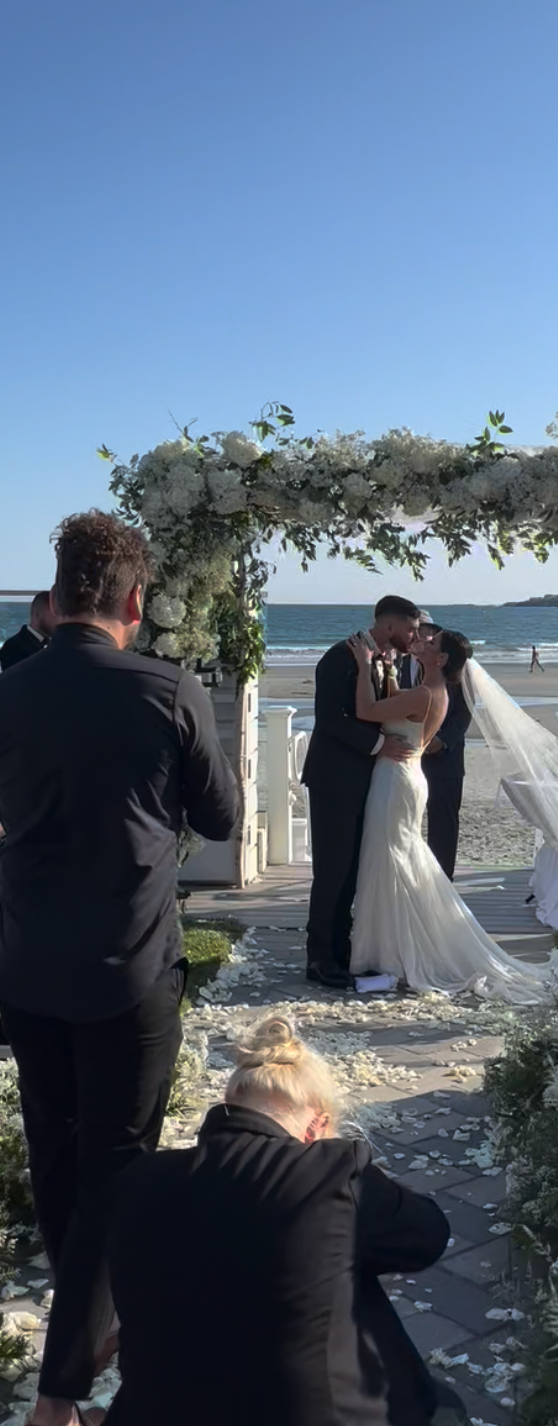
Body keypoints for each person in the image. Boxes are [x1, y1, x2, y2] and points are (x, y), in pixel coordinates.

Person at [0, 511, 239, 1426]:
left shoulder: (9, 691)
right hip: (129, 970)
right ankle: (63, 1394)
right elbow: (220, 819)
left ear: (56, 598)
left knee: (60, 1160)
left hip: (25, 968)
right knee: (118, 1169)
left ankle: (84, 1327)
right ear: (135, 601)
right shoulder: (167, 688)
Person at [104, 1015, 465, 1426]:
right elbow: (429, 1236)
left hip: (160, 1411)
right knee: (440, 1402)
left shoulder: (138, 1180)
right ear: (316, 1125)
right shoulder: (333, 1171)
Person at [346, 629, 558, 1002]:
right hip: (406, 776)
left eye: (431, 643)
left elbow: (367, 711)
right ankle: (391, 946)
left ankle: (393, 949)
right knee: (397, 856)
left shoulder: (426, 693)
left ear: (440, 659)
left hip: (397, 780)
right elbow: (395, 703)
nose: (422, 642)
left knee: (392, 855)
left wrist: (362, 666)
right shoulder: (428, 691)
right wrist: (389, 670)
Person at [301, 595, 421, 990]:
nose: (414, 636)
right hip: (334, 780)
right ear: (389, 627)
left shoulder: (386, 660)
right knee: (332, 871)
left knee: (351, 871)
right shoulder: (340, 657)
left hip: (366, 782)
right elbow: (330, 719)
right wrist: (378, 747)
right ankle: (319, 958)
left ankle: (341, 948)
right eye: (410, 628)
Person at [404, 618, 473, 882]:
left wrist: (440, 742)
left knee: (443, 824)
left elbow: (462, 718)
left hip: (445, 762)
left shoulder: (460, 681)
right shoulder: (402, 665)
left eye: (429, 637)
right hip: (411, 762)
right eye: (417, 633)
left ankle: (441, 880)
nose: (421, 639)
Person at [0, 590, 56, 671]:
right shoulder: (14, 647)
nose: (59, 621)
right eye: (54, 616)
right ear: (38, 615)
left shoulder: (51, 643)